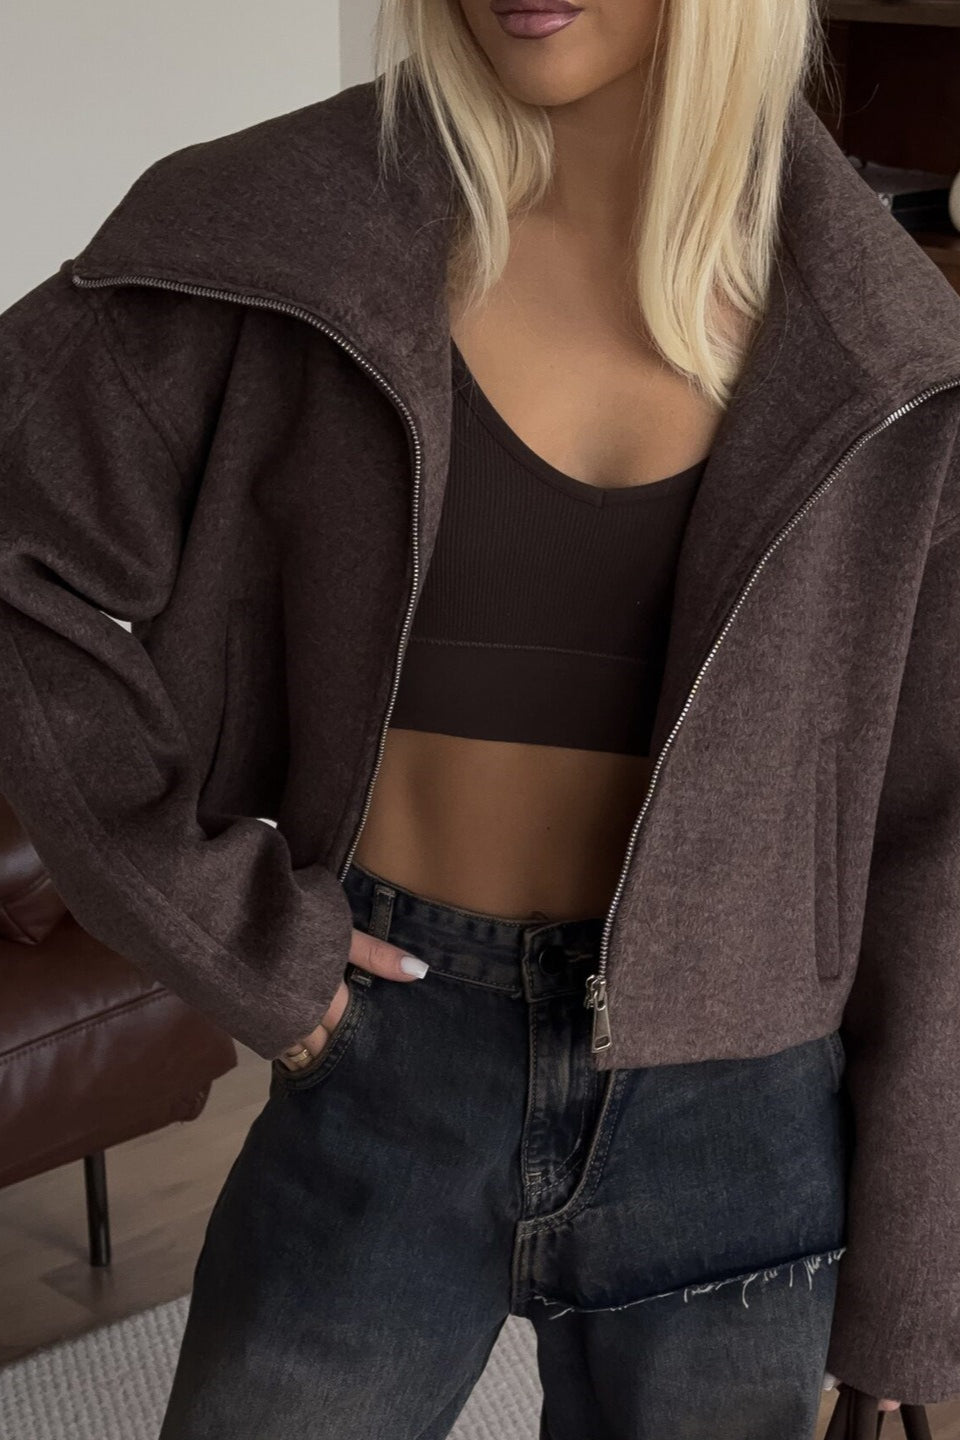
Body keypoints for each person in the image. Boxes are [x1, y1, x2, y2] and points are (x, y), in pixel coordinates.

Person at [2, 0, 960, 1434]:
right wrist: (232, 934)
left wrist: (915, 1288)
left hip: (741, 1112)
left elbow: (936, 842)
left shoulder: (899, 355)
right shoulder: (274, 236)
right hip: (385, 1043)